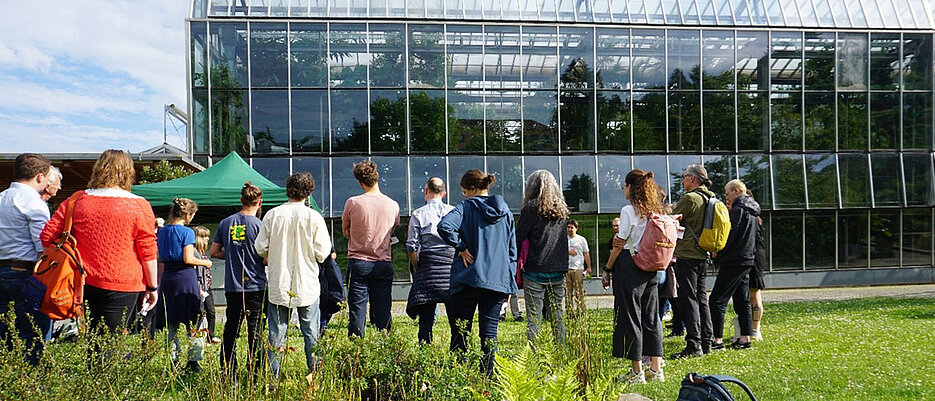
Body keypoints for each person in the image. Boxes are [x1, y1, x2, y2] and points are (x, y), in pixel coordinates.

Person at [40, 150, 158, 346]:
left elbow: (47, 236)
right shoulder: (138, 205)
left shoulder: (76, 200)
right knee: (112, 343)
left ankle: (95, 374)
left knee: (93, 339)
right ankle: (107, 376)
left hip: (83, 281)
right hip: (124, 283)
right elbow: (147, 250)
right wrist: (152, 286)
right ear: (127, 172)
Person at [438, 170, 517, 377]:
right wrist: (508, 284)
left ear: (472, 189)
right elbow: (511, 251)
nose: (464, 195)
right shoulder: (505, 211)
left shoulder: (465, 207)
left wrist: (462, 247)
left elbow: (445, 227)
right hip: (496, 281)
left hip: (466, 279)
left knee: (461, 333)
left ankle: (458, 378)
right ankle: (487, 382)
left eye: (465, 191)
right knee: (490, 335)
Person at [257, 172, 332, 378]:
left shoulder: (272, 215)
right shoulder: (314, 217)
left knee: (276, 333)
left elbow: (260, 247)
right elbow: (322, 252)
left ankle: (273, 378)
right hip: (306, 281)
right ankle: (315, 374)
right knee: (311, 333)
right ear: (309, 192)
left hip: (279, 280)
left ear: (288, 189)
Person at [600, 169, 665, 384]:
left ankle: (637, 372)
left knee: (630, 317)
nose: (623, 190)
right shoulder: (655, 210)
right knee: (651, 316)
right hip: (651, 265)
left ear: (630, 186)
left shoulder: (628, 210)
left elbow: (619, 243)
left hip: (630, 264)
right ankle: (656, 369)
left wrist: (607, 268)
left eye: (624, 186)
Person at [0, 153, 52, 365]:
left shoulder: (1, 197)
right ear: (39, 177)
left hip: (1, 269)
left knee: (4, 335)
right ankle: (32, 381)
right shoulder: (34, 203)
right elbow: (43, 247)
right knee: (35, 331)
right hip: (25, 273)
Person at [211, 181, 266, 377]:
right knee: (255, 331)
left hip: (233, 286)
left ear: (241, 200)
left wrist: (233, 254)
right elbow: (266, 258)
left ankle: (228, 369)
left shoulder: (226, 223)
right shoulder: (260, 225)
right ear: (259, 202)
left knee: (231, 328)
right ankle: (255, 373)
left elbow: (214, 251)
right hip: (255, 285)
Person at [342, 161, 400, 338]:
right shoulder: (393, 205)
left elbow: (345, 232)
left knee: (357, 311)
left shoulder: (353, 202)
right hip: (383, 263)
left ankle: (356, 351)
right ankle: (386, 346)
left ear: (360, 182)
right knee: (383, 309)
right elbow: (392, 230)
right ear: (378, 177)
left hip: (358, 262)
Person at [516, 170, 570, 345]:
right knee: (557, 316)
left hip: (535, 270)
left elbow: (518, 237)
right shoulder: (561, 207)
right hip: (558, 269)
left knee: (534, 318)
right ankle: (561, 353)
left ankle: (534, 356)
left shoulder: (531, 207)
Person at [669, 164, 716, 359]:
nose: (682, 180)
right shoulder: (710, 197)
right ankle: (707, 341)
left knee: (689, 299)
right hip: (703, 253)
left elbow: (670, 218)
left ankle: (693, 344)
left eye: (684, 176)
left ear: (693, 178)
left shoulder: (690, 198)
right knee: (701, 298)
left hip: (688, 254)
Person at [156, 198, 209, 372]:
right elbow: (188, 258)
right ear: (187, 214)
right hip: (185, 279)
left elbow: (158, 257)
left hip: (168, 278)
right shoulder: (186, 232)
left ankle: (173, 362)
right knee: (194, 321)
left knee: (171, 323)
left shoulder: (162, 232)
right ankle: (194, 361)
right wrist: (205, 263)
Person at [709, 180, 760, 350]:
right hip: (747, 259)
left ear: (736, 191)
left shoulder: (739, 210)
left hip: (734, 259)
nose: (727, 196)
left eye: (728, 193)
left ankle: (717, 340)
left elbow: (730, 235)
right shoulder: (752, 210)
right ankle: (745, 338)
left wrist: (718, 251)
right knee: (742, 300)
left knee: (717, 299)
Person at [405, 177, 455, 344]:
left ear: (426, 191)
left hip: (428, 268)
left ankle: (425, 350)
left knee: (425, 321)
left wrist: (417, 266)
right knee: (456, 321)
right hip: (451, 269)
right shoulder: (455, 211)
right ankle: (459, 353)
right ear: (444, 193)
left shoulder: (418, 214)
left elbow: (412, 246)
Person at [192, 226, 219, 343]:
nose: (207, 240)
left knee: (211, 311)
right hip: (200, 287)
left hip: (207, 287)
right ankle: (196, 335)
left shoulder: (202, 253)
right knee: (200, 313)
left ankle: (210, 335)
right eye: (204, 237)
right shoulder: (193, 252)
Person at [565, 219, 591, 317]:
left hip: (578, 269)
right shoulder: (563, 239)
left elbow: (586, 253)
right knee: (568, 292)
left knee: (578, 292)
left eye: (572, 227)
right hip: (566, 269)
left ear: (576, 228)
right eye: (568, 227)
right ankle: (569, 312)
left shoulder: (581, 239)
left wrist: (589, 267)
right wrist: (568, 252)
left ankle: (581, 311)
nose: (570, 229)